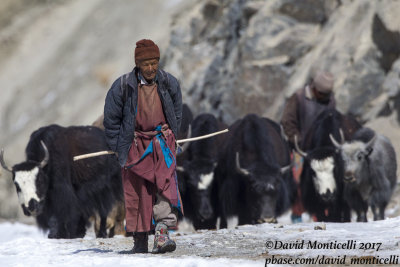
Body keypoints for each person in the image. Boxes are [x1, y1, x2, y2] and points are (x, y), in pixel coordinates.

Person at [103, 39, 183, 254]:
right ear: (138, 63)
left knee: (166, 186)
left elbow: (176, 113)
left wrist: (171, 136)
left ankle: (162, 234)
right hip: (135, 145)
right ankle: (139, 241)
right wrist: (118, 148)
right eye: (146, 64)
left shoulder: (169, 82)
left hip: (161, 142)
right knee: (136, 192)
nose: (150, 68)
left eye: (154, 63)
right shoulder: (122, 87)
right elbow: (111, 122)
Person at [281, 70, 335, 223]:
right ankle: (297, 215)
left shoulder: (330, 100)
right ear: (315, 89)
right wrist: (298, 139)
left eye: (326, 94)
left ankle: (319, 215)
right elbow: (287, 121)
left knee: (323, 181)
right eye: (322, 94)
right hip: (300, 150)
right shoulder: (298, 98)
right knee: (298, 182)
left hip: (322, 150)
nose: (324, 97)